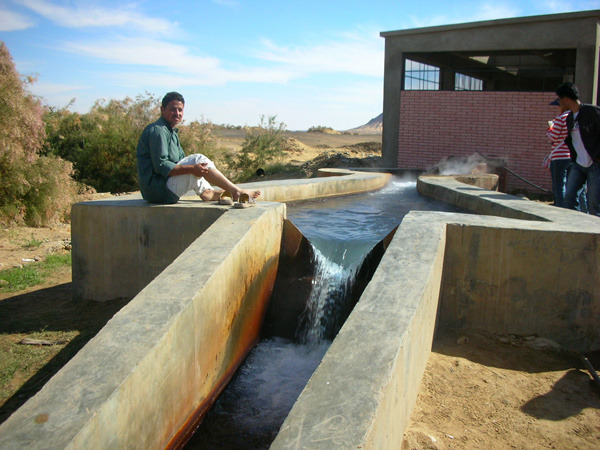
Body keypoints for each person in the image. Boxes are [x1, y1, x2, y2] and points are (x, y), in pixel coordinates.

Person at [136, 92, 260, 205]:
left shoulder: (171, 132)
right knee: (197, 159)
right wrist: (192, 168)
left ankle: (210, 193)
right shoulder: (158, 131)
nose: (177, 113)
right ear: (162, 110)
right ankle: (236, 191)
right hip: (157, 190)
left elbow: (180, 162)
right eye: (173, 110)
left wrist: (194, 169)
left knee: (196, 166)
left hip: (163, 189)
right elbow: (161, 166)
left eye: (180, 110)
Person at [554, 82, 600, 216]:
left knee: (594, 203)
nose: (558, 102)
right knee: (569, 197)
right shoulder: (569, 118)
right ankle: (578, 226)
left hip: (596, 164)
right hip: (578, 164)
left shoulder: (592, 112)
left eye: (559, 99)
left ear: (566, 99)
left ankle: (595, 233)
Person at [545, 100, 571, 207]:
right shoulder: (572, 117)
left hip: (559, 156)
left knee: (559, 185)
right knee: (568, 184)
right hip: (570, 155)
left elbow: (554, 137)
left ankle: (560, 207)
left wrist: (550, 130)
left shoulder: (561, 118)